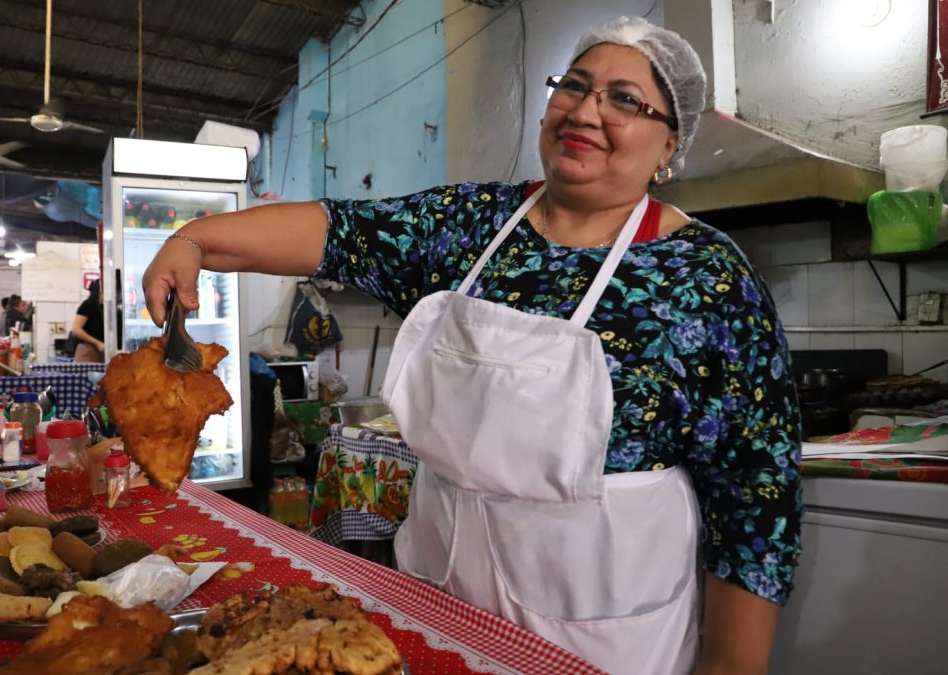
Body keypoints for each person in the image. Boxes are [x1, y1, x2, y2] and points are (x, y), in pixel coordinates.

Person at [142, 16, 801, 675]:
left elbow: (755, 498)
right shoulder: (468, 226)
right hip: (440, 601)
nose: (585, 109)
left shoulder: (706, 278)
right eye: (574, 85)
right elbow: (338, 230)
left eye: (624, 99)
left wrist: (732, 667)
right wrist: (195, 241)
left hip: (604, 639)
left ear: (669, 144)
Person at [71, 279, 105, 362]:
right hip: (87, 350)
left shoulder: (106, 307)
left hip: (103, 350)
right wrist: (97, 343)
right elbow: (76, 330)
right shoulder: (88, 305)